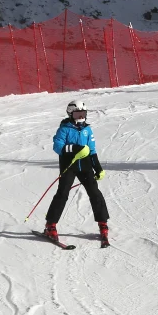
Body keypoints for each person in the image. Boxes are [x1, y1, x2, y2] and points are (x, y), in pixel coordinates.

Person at [42, 100, 109, 246]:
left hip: (85, 167)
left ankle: (103, 223)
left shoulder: (87, 130)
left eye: (83, 113)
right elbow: (58, 146)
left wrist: (97, 168)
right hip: (69, 166)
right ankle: (50, 225)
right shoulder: (64, 129)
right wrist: (75, 149)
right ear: (70, 114)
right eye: (78, 114)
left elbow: (92, 150)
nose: (81, 117)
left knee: (95, 193)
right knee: (62, 194)